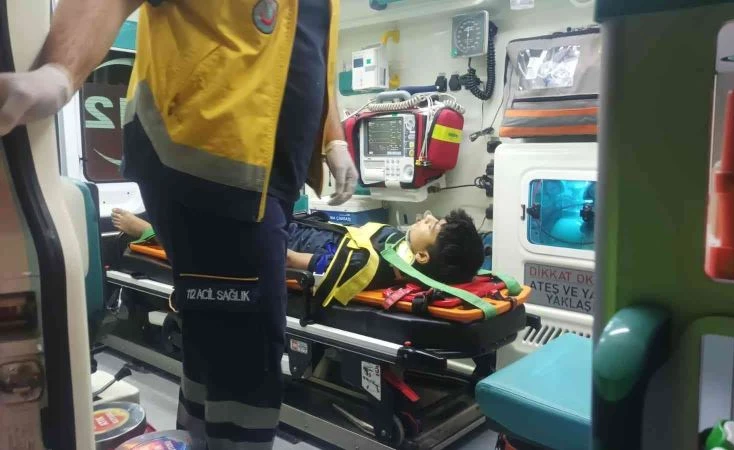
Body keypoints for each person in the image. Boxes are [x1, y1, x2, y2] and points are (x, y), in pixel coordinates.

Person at [0, 1, 357, 448]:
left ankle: (199, 439)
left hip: (270, 182)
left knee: (216, 334)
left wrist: (334, 139)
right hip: (206, 166)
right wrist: (60, 73)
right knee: (248, 350)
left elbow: (310, 58)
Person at [113, 208, 487, 291]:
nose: (426, 216)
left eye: (432, 226)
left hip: (285, 241)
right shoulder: (393, 245)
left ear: (422, 257)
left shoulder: (371, 266)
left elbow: (291, 261)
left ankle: (149, 232)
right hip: (303, 228)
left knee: (214, 237)